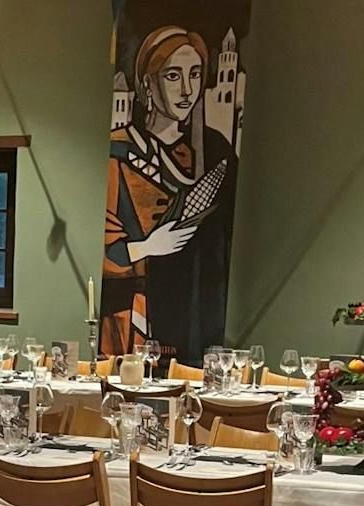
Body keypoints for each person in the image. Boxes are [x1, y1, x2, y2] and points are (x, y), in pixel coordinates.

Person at [102, 25, 235, 366]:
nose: (187, 89)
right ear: (148, 84)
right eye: (173, 76)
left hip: (192, 312)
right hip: (135, 315)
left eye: (195, 74)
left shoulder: (216, 149)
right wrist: (149, 246)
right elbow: (108, 248)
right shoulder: (120, 150)